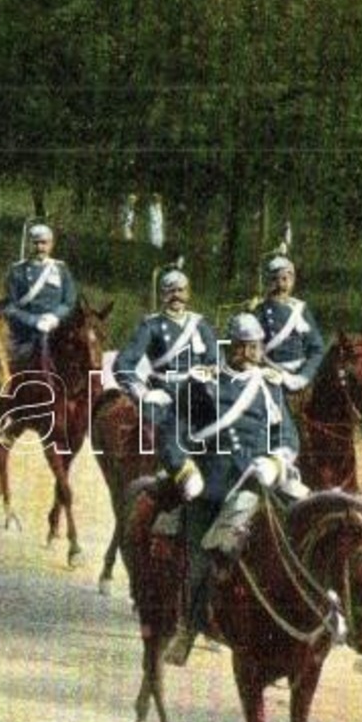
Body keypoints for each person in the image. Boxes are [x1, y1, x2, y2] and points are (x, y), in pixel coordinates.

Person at [165, 313, 312, 666]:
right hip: (213, 486)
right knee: (202, 560)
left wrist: (276, 462)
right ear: (228, 347)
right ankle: (188, 628)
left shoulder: (269, 386)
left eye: (254, 346)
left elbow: (288, 436)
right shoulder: (203, 383)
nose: (248, 353)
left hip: (258, 485)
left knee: (302, 536)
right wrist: (186, 471)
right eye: (241, 346)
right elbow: (172, 433)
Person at [112, 268, 218, 495]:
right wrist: (143, 393)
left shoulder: (200, 324)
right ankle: (178, 473)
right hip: (164, 391)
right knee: (164, 429)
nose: (176, 296)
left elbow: (216, 359)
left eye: (181, 291)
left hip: (198, 391)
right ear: (162, 295)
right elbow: (122, 364)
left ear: (188, 294)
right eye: (170, 291)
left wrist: (210, 371)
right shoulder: (151, 326)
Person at [2, 223, 78, 363]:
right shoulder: (16, 271)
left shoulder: (61, 269)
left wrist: (54, 317)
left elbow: (69, 301)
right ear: (28, 245)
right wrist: (33, 321)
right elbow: (10, 307)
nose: (40, 247)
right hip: (25, 334)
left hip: (57, 331)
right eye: (35, 243)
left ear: (51, 244)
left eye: (44, 243)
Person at [254, 250, 325, 394]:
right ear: (267, 282)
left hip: (300, 379)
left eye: (285, 279)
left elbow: (317, 349)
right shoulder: (259, 311)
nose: (280, 285)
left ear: (292, 281)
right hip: (269, 376)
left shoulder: (301, 309)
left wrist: (304, 377)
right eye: (275, 279)